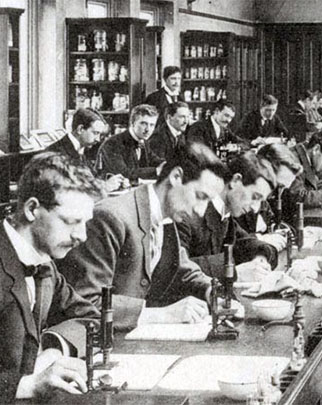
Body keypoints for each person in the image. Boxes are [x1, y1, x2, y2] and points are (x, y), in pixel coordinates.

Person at [59, 143, 232, 330]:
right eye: (200, 196)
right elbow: (85, 301)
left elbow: (183, 268)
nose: (200, 210)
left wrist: (213, 292)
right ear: (176, 177)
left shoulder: (167, 216)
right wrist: (161, 314)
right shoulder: (111, 217)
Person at [0, 152, 103, 401]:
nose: (82, 236)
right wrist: (28, 385)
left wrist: (54, 350)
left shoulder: (43, 264)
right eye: (71, 222)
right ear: (32, 209)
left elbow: (89, 316)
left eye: (85, 223)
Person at [177, 152, 281, 277]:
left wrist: (261, 257)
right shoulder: (186, 213)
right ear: (235, 181)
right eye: (254, 197)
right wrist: (233, 272)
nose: (255, 208)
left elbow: (245, 243)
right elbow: (176, 269)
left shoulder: (223, 212)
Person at [47, 108, 125, 191]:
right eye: (95, 133)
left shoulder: (82, 149)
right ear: (80, 129)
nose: (98, 139)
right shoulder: (56, 153)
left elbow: (92, 178)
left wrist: (115, 181)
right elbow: (66, 189)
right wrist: (104, 186)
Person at [94, 104, 164, 181]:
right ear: (132, 123)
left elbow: (154, 160)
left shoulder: (142, 140)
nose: (148, 129)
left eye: (152, 125)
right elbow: (123, 173)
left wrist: (169, 165)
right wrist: (156, 171)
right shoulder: (112, 144)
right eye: (143, 124)